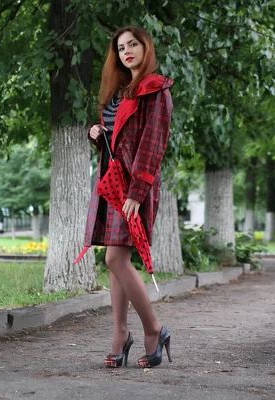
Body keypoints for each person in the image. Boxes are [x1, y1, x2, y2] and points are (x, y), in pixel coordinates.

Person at [84, 26, 173, 369]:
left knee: (115, 260)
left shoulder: (156, 89)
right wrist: (95, 133)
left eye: (133, 44)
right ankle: (120, 335)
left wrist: (138, 191)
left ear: (145, 47)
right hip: (112, 182)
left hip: (135, 185)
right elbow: (115, 136)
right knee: (114, 258)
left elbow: (154, 143)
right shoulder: (119, 92)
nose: (127, 51)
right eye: (121, 47)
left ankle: (153, 329)